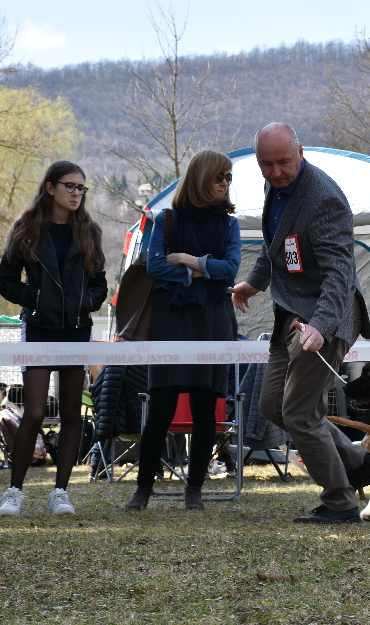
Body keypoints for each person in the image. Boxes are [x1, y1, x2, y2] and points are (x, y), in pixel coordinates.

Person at [229, 123, 370, 524]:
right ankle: (359, 464)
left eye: (284, 162)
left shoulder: (324, 199)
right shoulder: (275, 187)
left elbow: (339, 273)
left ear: (300, 152)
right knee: (272, 406)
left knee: (298, 413)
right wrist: (253, 283)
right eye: (266, 164)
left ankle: (340, 502)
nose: (276, 172)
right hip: (290, 315)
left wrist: (322, 325)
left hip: (327, 317)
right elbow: (276, 246)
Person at [124, 150, 242, 511]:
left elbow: (231, 269)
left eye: (229, 178)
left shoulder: (230, 224)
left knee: (206, 409)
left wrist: (189, 261)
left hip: (213, 320)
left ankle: (194, 490)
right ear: (201, 179)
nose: (225, 184)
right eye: (219, 177)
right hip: (172, 321)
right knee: (161, 407)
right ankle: (143, 489)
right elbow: (155, 266)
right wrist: (203, 271)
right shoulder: (166, 219)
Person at [0, 160, 107, 517]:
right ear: (50, 187)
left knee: (72, 412)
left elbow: (101, 286)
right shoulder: (26, 228)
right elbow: (6, 283)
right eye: (69, 186)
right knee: (34, 412)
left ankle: (61, 493)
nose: (76, 193)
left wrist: (84, 302)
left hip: (77, 328)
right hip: (38, 327)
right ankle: (14, 492)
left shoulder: (89, 231)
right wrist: (38, 298)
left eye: (81, 188)